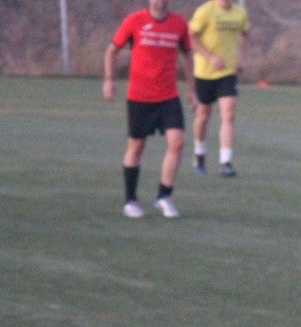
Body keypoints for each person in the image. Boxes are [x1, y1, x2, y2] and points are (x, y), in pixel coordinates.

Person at [103, 0, 194, 219]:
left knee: (177, 141)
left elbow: (188, 55)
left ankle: (164, 196)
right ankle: (130, 200)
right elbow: (111, 50)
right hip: (139, 96)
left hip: (168, 96)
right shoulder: (134, 21)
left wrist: (193, 87)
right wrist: (109, 80)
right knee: (136, 146)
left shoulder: (179, 24)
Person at [188, 0, 251, 177]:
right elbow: (191, 37)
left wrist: (242, 58)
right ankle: (199, 154)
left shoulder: (239, 13)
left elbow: (245, 34)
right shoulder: (205, 11)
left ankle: (226, 162)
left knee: (229, 112)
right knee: (203, 115)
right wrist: (209, 57)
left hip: (228, 71)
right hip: (205, 72)